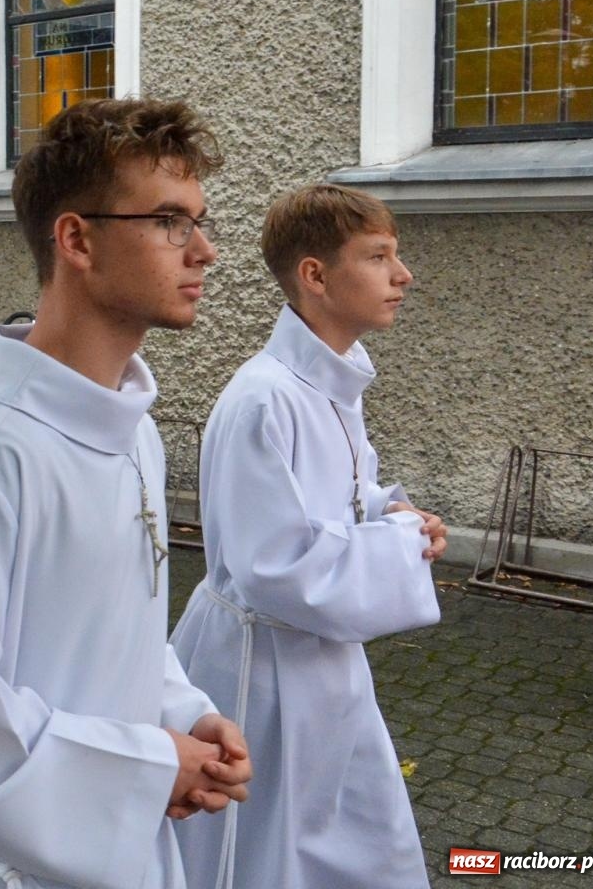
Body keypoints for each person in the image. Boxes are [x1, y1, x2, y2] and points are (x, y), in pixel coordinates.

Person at [0, 99, 252, 889]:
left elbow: (107, 636)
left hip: (121, 849)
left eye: (199, 221)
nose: (206, 251)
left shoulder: (133, 431)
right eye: (171, 222)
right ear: (77, 239)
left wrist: (181, 716)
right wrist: (154, 767)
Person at [171, 183, 446, 889]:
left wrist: (395, 515)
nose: (402, 275)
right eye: (379, 256)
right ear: (315, 276)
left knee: (359, 839)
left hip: (323, 665)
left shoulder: (329, 386)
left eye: (397, 255)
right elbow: (275, 565)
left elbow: (341, 501)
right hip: (261, 674)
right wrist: (401, 547)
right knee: (264, 853)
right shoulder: (265, 398)